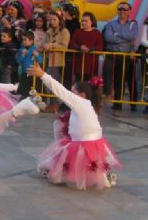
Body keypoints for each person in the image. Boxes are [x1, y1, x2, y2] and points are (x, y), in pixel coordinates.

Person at [27, 61, 120, 189]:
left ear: (81, 95)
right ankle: (101, 176)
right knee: (57, 161)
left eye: (73, 91)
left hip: (85, 147)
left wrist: (43, 75)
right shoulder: (85, 105)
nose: (70, 94)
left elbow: (61, 91)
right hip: (93, 145)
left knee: (55, 177)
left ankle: (100, 176)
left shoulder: (80, 103)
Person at [102, 2, 138, 117]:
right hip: (112, 53)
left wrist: (117, 35)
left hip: (124, 55)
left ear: (129, 11)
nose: (122, 11)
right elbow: (108, 37)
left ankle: (118, 106)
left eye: (124, 9)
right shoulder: (110, 24)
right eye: (120, 9)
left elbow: (133, 36)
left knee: (120, 80)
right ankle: (108, 94)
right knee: (107, 73)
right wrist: (124, 39)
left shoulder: (133, 24)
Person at [42, 12, 70, 112]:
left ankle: (55, 104)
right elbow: (44, 42)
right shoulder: (48, 31)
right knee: (48, 83)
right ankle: (53, 104)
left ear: (59, 20)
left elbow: (64, 46)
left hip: (58, 61)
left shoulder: (64, 31)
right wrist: (45, 45)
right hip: (48, 60)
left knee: (53, 83)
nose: (52, 22)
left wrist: (52, 45)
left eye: (54, 19)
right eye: (51, 20)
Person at [69, 11, 103, 83]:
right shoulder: (77, 31)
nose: (83, 23)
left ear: (91, 22)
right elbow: (72, 43)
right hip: (79, 65)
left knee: (91, 86)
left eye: (86, 21)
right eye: (82, 21)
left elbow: (100, 46)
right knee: (79, 86)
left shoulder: (97, 33)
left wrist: (90, 49)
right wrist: (79, 47)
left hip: (92, 65)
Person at [16, 31, 43, 97]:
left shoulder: (35, 49)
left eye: (25, 40)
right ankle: (24, 102)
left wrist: (37, 55)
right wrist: (22, 55)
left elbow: (41, 61)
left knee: (36, 90)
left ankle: (37, 103)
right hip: (24, 73)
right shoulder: (21, 50)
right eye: (23, 39)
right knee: (24, 91)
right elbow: (18, 61)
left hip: (34, 74)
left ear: (31, 41)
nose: (23, 41)